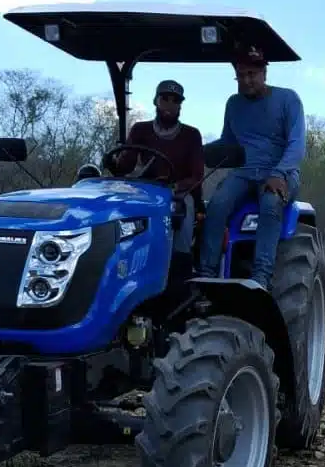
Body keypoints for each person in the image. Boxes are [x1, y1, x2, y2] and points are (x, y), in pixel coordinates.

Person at [196, 45, 306, 291]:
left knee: (270, 204)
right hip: (245, 171)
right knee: (216, 205)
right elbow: (228, 143)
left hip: (281, 171)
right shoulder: (234, 104)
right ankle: (207, 274)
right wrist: (196, 150)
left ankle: (260, 278)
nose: (246, 81)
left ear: (264, 73)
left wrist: (279, 173)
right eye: (241, 75)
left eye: (252, 74)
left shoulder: (288, 99)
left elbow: (297, 144)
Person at [107, 79, 204, 278]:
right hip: (146, 190)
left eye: (174, 101)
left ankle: (181, 267)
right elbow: (126, 165)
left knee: (183, 209)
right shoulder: (140, 130)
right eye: (165, 99)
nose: (169, 105)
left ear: (180, 106)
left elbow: (196, 175)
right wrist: (113, 163)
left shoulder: (191, 135)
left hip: (177, 193)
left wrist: (176, 187)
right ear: (156, 101)